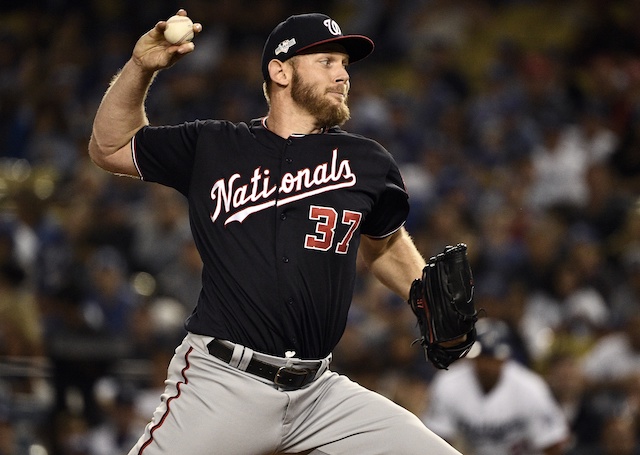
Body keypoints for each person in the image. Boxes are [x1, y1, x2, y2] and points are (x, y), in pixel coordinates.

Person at [88, 10, 468, 455]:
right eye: (326, 62)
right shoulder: (214, 146)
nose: (342, 75)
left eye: (344, 65)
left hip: (320, 394)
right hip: (223, 383)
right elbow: (109, 147)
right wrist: (140, 69)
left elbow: (384, 244)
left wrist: (423, 291)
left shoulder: (367, 162)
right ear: (280, 70)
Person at [421, 318, 569, 455]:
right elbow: (437, 439)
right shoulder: (448, 384)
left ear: (505, 358)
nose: (487, 365)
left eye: (492, 359)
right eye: (482, 358)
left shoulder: (530, 388)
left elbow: (553, 442)